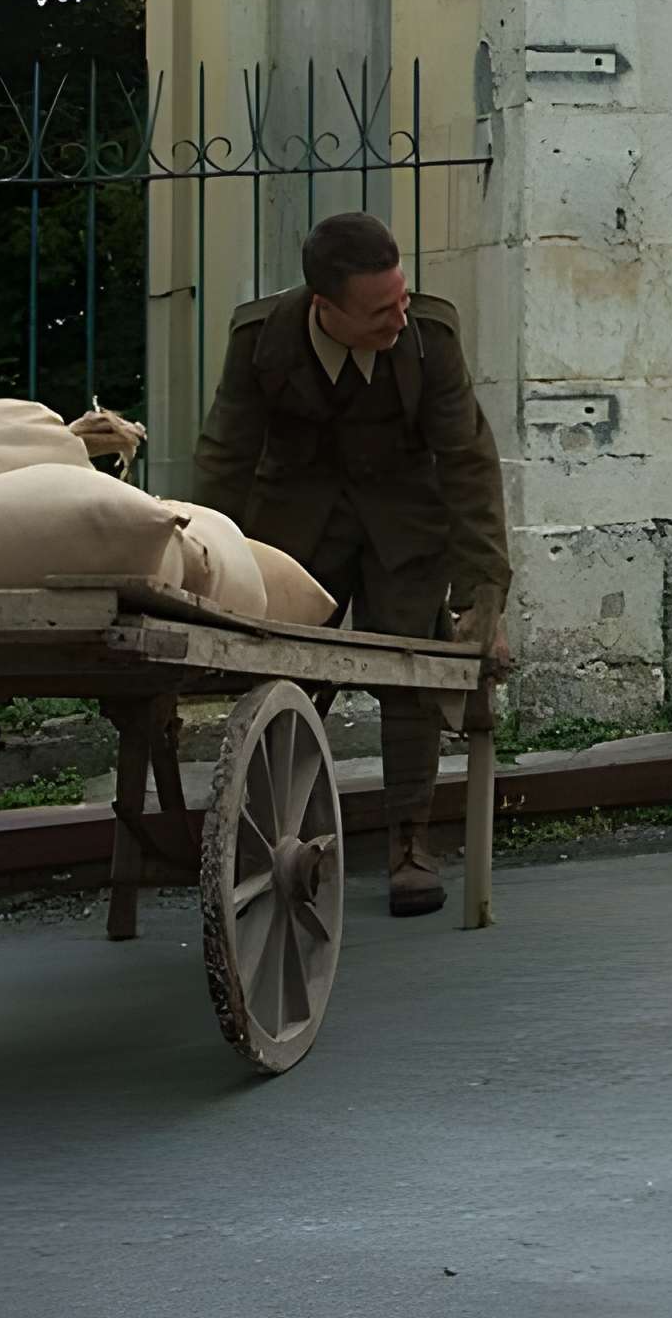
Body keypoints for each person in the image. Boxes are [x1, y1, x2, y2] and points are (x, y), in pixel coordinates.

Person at [192, 212, 512, 915]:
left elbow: (468, 466)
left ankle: (409, 844)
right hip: (297, 529)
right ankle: (285, 835)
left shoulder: (431, 339)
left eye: (402, 298)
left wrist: (482, 598)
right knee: (288, 674)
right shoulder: (261, 344)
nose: (398, 318)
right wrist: (201, 564)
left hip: (404, 521)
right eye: (378, 311)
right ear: (325, 308)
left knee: (410, 666)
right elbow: (224, 459)